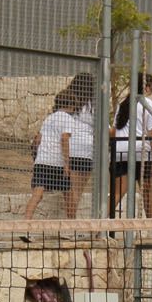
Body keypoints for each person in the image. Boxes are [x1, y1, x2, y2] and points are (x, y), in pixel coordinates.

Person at [25, 73, 91, 221]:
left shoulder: (49, 118)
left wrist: (36, 158)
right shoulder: (68, 119)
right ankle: (71, 225)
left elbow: (37, 140)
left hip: (42, 162)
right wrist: (67, 163)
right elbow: (64, 139)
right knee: (69, 195)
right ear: (72, 105)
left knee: (37, 195)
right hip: (57, 164)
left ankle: (25, 223)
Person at [112, 72, 152, 217]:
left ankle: (102, 225)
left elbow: (115, 130)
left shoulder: (123, 105)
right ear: (146, 87)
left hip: (120, 151)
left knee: (117, 192)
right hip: (141, 153)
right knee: (148, 191)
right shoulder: (149, 105)